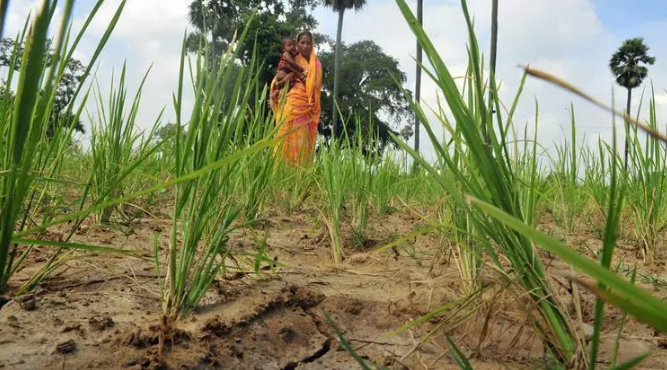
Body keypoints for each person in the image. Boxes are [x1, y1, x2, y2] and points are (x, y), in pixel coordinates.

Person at [269, 30, 322, 166]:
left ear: (312, 45)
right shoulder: (291, 58)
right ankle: (280, 175)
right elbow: (276, 81)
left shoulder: (316, 64)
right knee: (284, 138)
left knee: (301, 141)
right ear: (297, 44)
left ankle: (300, 177)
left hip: (306, 105)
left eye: (308, 43)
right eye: (302, 42)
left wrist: (297, 74)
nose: (305, 46)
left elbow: (314, 86)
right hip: (290, 103)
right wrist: (285, 79)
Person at [270, 37, 306, 102]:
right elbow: (291, 62)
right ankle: (278, 89)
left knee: (289, 85)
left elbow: (297, 53)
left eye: (293, 45)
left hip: (284, 74)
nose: (292, 46)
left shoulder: (291, 54)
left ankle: (277, 95)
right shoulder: (286, 54)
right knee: (291, 77)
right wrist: (298, 67)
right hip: (282, 73)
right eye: (289, 45)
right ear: (284, 49)